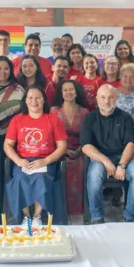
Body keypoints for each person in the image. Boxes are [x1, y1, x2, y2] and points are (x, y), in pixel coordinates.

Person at [4, 86, 68, 225]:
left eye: (38, 98)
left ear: (44, 100)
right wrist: (19, 161)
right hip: (23, 161)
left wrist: (45, 161)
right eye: (30, 98)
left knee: (41, 178)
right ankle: (26, 215)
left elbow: (62, 146)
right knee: (20, 178)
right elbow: (7, 145)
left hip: (46, 161)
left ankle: (37, 216)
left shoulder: (53, 119)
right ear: (25, 101)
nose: (34, 101)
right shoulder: (17, 119)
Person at [81, 85, 134, 223]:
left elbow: (131, 144)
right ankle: (97, 218)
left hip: (124, 157)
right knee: (94, 176)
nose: (106, 101)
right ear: (97, 99)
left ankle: (129, 218)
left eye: (110, 97)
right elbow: (86, 146)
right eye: (103, 97)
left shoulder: (125, 117)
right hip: (99, 158)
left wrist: (122, 165)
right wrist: (105, 161)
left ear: (116, 99)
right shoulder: (89, 118)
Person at [51, 80, 89, 216]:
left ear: (76, 92)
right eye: (65, 90)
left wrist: (78, 151)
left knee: (81, 166)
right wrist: (65, 151)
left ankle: (78, 210)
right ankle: (59, 209)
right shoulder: (54, 111)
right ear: (61, 93)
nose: (68, 92)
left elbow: (87, 136)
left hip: (80, 151)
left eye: (71, 89)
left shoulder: (85, 112)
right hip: (57, 150)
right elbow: (50, 136)